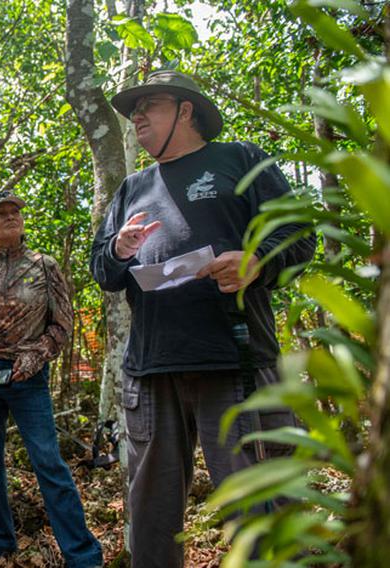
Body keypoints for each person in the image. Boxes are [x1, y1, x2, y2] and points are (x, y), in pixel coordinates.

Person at [90, 70, 316, 567]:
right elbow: (102, 271)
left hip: (234, 361)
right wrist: (119, 248)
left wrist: (256, 261)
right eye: (133, 111)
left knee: (259, 508)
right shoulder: (131, 187)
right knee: (150, 513)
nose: (137, 118)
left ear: (186, 110)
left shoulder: (242, 160)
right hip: (151, 370)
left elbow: (300, 235)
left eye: (149, 105)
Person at [0, 191, 104, 568]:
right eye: (0, 214)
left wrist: (35, 355)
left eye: (15, 212)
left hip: (29, 378)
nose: (11, 218)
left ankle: (82, 555)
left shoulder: (43, 265)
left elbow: (62, 323)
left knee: (48, 461)